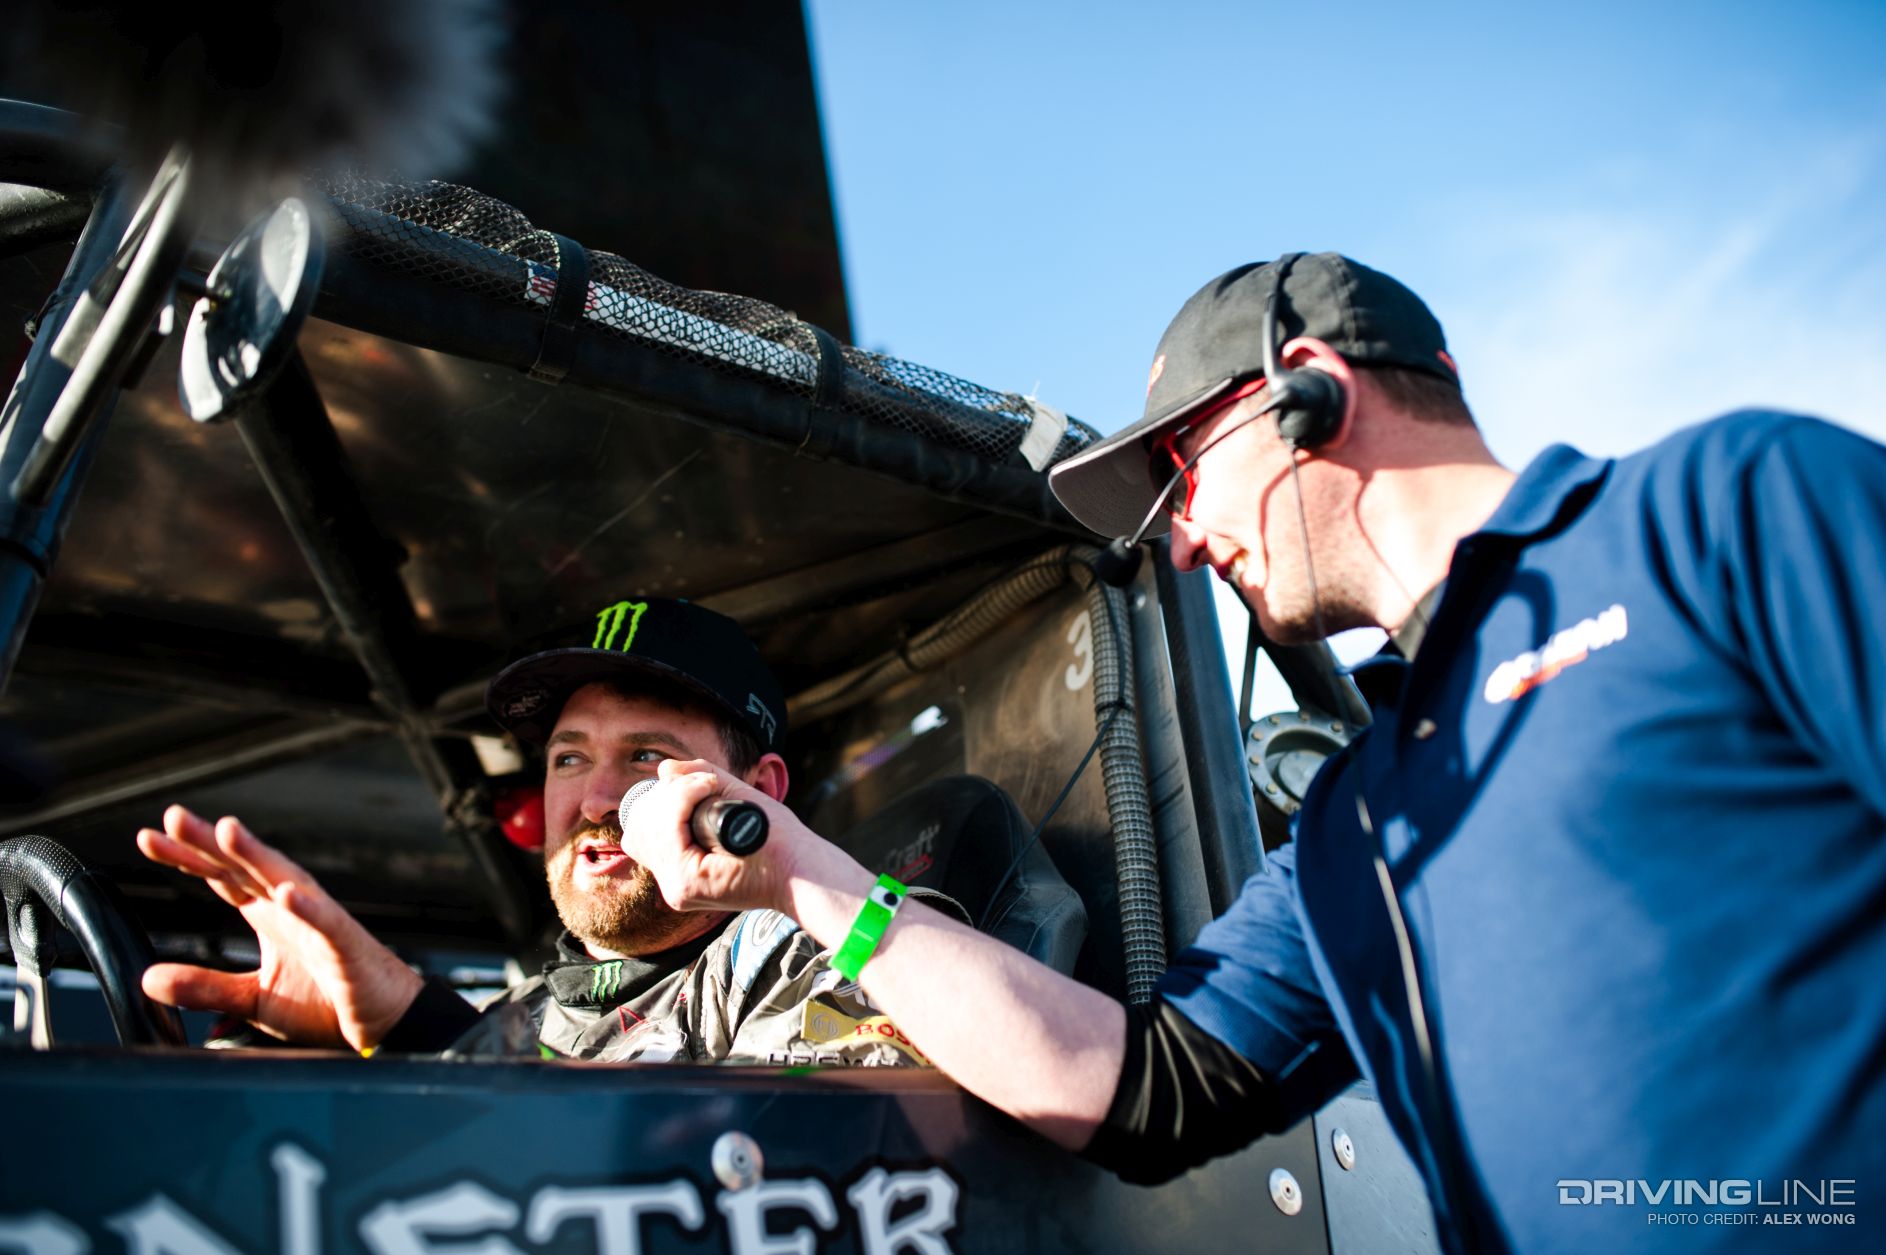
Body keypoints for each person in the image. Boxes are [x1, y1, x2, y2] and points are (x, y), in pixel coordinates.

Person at [615, 254, 1886, 1252]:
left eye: (1181, 471)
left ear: (1307, 393)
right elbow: (1132, 1087)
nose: (1177, 540)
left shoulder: (1723, 506)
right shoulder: (1355, 812)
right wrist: (800, 875)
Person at [137, 596, 941, 1066]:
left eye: (645, 756)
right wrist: (374, 1038)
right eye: (568, 757)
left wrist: (418, 1025)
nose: (594, 799)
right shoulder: (527, 1010)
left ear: (759, 792)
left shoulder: (817, 947)